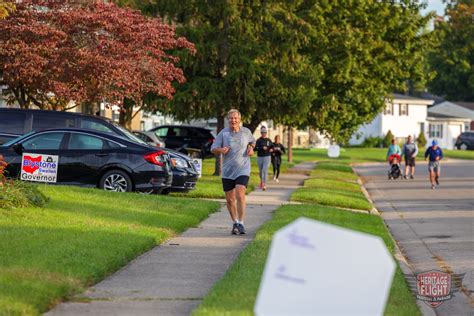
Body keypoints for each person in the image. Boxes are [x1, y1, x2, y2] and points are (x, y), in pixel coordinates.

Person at [211, 109, 256, 235]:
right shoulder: (223, 133)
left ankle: (241, 223)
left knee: (240, 192)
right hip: (227, 170)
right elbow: (213, 149)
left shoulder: (246, 132)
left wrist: (251, 148)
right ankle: (235, 222)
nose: (233, 120)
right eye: (231, 118)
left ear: (240, 119)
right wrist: (221, 150)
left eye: (235, 118)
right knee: (230, 199)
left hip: (243, 168)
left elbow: (253, 142)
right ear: (228, 120)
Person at [255, 126, 273, 191]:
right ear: (261, 133)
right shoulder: (258, 140)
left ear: (266, 133)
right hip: (260, 157)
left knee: (264, 170)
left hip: (267, 157)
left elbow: (272, 147)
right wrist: (261, 148)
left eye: (265, 132)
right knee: (260, 171)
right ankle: (262, 181)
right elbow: (255, 148)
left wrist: (271, 149)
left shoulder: (269, 140)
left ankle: (264, 184)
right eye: (262, 132)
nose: (264, 134)